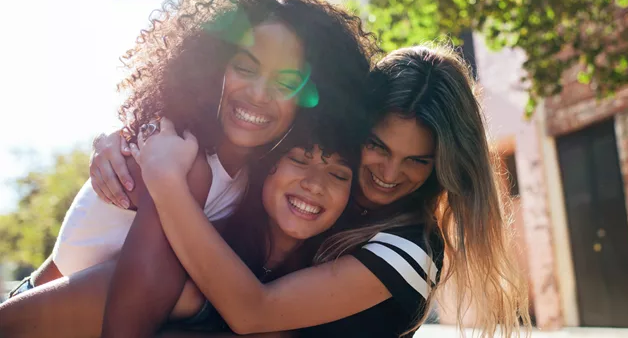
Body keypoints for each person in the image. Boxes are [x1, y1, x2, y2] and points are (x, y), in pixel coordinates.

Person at [2, 0, 375, 338]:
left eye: (286, 81)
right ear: (213, 69)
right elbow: (126, 326)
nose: (259, 94)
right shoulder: (177, 154)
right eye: (245, 68)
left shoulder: (258, 176)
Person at [88, 44, 530, 338]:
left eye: (418, 160)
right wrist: (132, 139)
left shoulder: (410, 248)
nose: (390, 174)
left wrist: (164, 182)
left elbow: (252, 312)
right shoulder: (327, 201)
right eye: (377, 146)